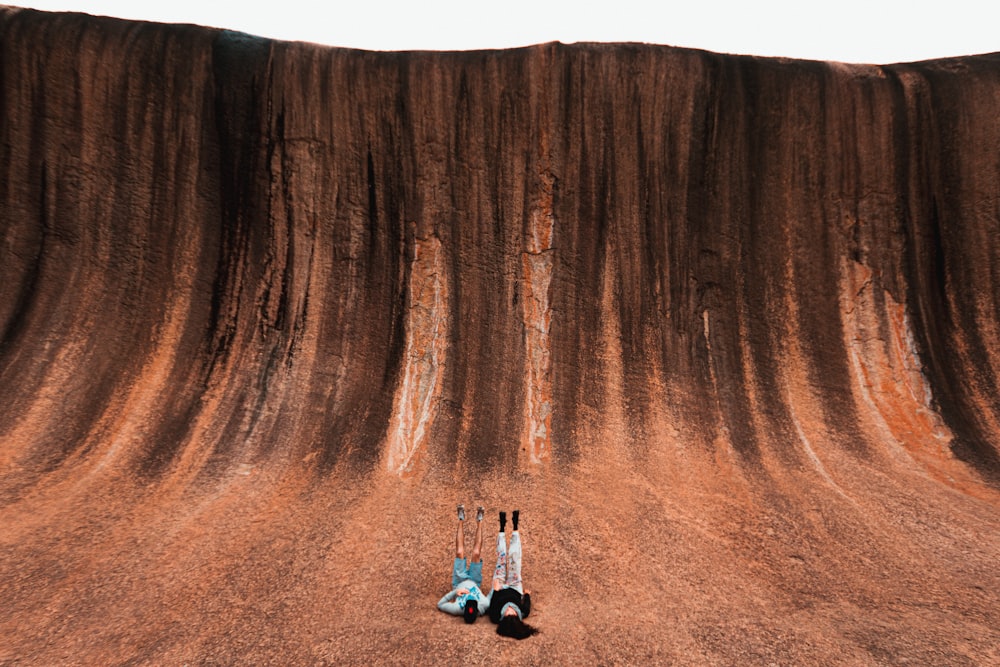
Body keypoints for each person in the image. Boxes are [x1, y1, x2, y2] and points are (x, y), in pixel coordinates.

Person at [488, 510, 538, 639]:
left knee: (502, 558)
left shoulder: (495, 617)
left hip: (499, 589)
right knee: (515, 559)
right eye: (513, 614)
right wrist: (526, 594)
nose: (510, 611)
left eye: (507, 614)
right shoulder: (523, 612)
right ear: (518, 618)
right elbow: (527, 601)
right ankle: (515, 527)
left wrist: (495, 590)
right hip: (515, 586)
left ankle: (502, 529)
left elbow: (492, 602)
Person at [437, 504, 490, 623]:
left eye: (467, 604)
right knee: (476, 553)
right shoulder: (484, 605)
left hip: (459, 581)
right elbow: (491, 596)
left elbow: (440, 604)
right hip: (475, 580)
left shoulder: (457, 609)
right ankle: (480, 521)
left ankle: (461, 518)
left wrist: (455, 592)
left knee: (459, 552)